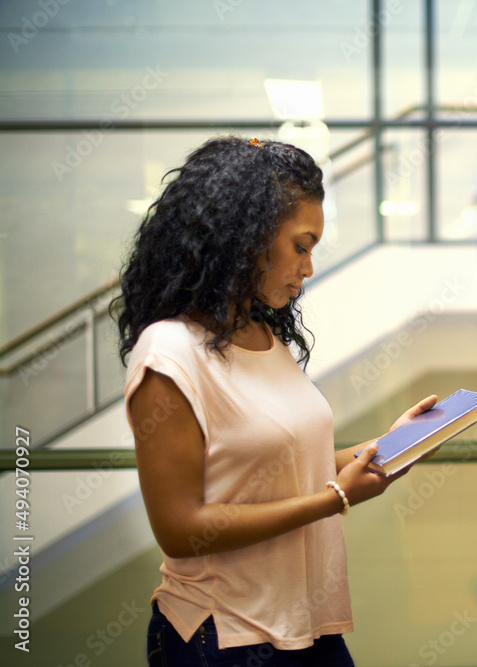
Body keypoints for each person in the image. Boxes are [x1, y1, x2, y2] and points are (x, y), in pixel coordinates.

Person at [115, 136, 436, 666]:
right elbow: (180, 529)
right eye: (301, 245)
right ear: (245, 236)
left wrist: (383, 449)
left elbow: (288, 469)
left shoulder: (266, 338)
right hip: (222, 637)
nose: (307, 269)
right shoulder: (169, 352)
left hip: (308, 628)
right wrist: (336, 498)